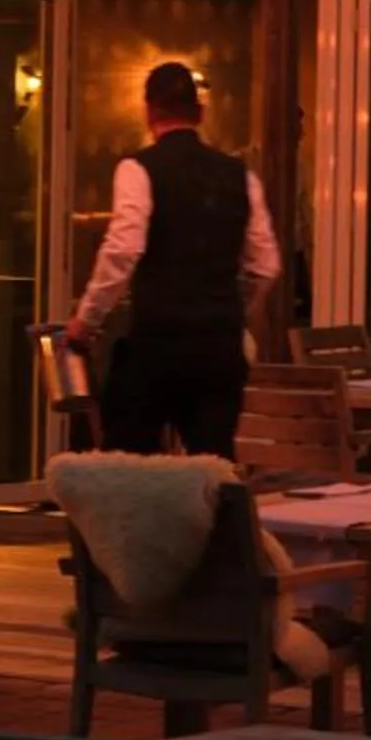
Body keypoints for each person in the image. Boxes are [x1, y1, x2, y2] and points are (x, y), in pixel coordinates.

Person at [63, 61, 281, 458]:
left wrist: (87, 319)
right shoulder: (240, 176)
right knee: (212, 463)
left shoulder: (138, 170)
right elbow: (265, 265)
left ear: (150, 111)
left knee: (127, 458)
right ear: (199, 113)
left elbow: (123, 250)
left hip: (158, 343)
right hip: (219, 348)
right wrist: (231, 309)